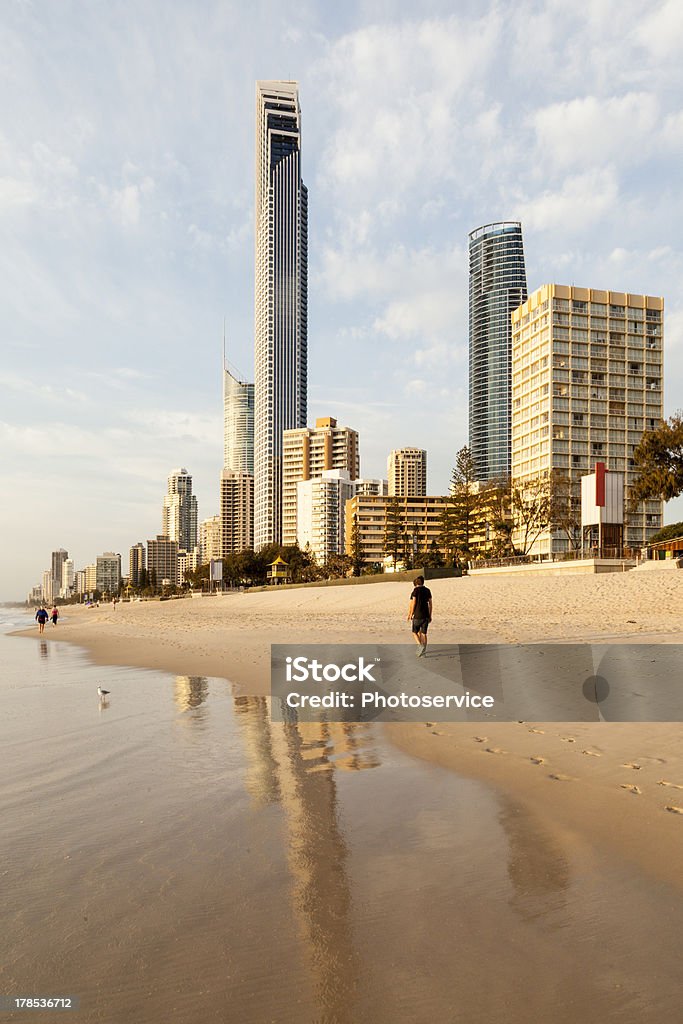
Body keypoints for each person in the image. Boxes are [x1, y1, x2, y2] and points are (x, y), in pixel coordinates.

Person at [407, 575, 432, 657]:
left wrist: (410, 614)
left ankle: (420, 646)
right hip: (426, 615)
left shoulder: (415, 591)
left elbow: (413, 603)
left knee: (414, 632)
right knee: (423, 634)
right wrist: (430, 615)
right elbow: (430, 604)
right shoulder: (428, 590)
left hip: (417, 615)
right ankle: (423, 652)